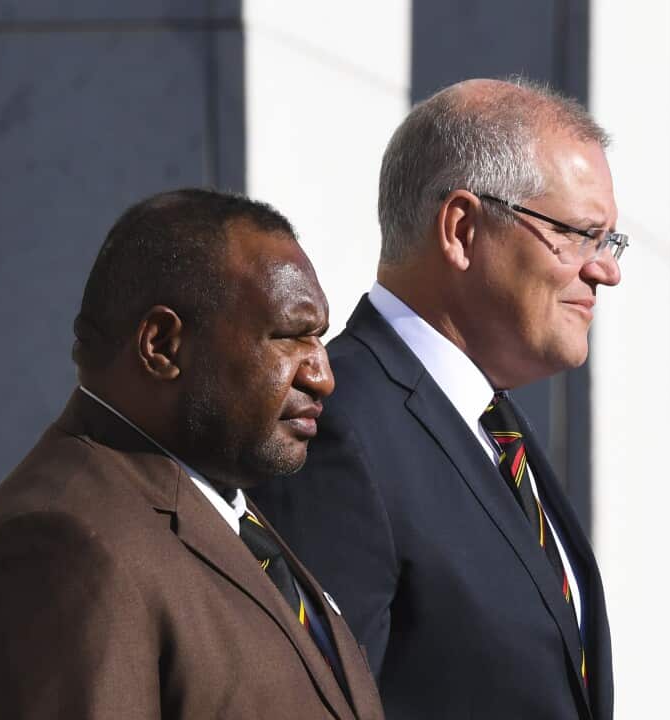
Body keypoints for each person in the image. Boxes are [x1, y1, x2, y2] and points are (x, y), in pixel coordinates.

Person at [0, 189, 384, 720]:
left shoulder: (216, 503)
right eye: (289, 337)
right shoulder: (62, 550)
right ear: (163, 345)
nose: (322, 376)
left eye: (320, 339)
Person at [250, 78, 626, 719]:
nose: (605, 270)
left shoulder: (491, 425)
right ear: (460, 229)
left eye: (610, 242)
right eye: (579, 235)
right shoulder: (336, 423)